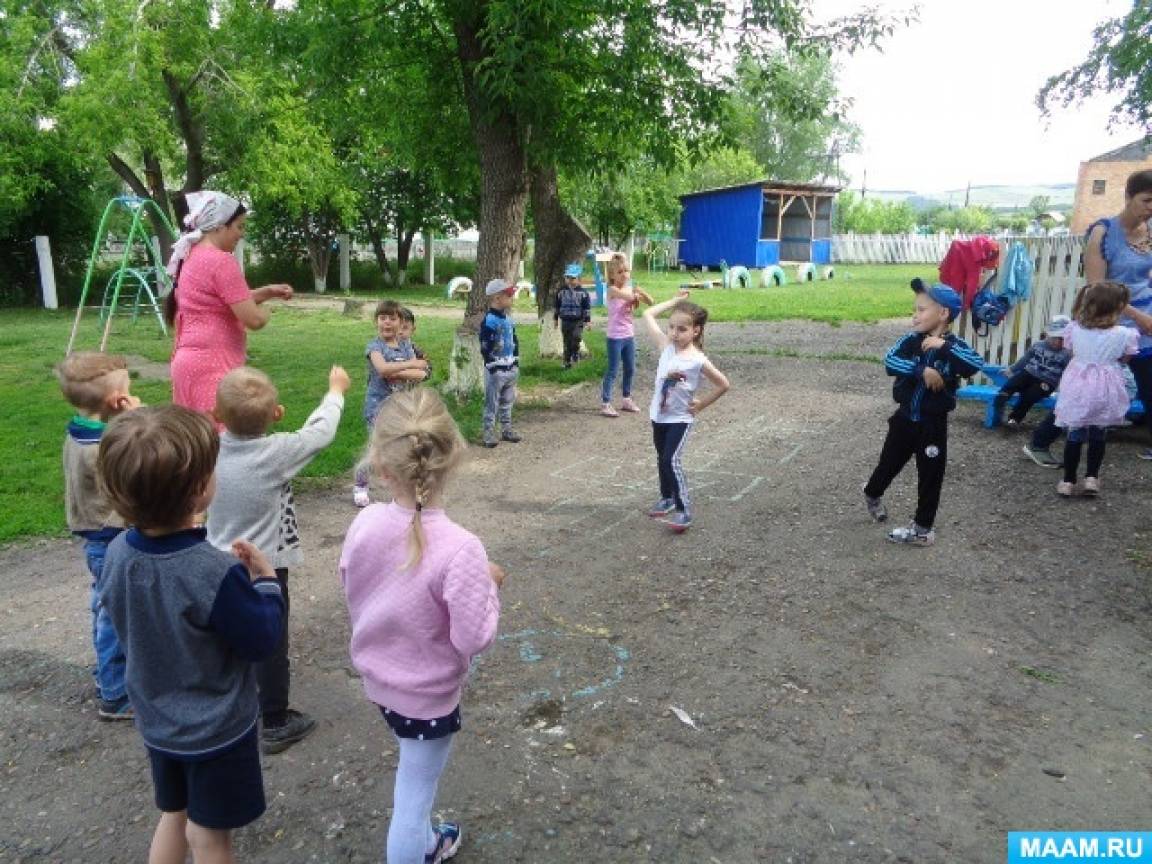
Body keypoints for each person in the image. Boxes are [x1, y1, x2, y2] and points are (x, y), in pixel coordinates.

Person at [97, 405, 285, 864]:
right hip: (215, 729)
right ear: (201, 489)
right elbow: (260, 640)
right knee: (210, 836)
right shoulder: (214, 572)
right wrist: (265, 583)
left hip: (158, 722)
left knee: (174, 813)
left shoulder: (118, 553)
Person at [339, 388, 503, 864]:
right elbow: (474, 637)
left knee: (411, 772)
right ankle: (415, 848)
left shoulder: (365, 523)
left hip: (380, 682)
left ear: (381, 465)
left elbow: (353, 582)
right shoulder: (461, 548)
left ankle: (428, 842)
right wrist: (488, 587)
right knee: (412, 798)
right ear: (452, 458)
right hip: (427, 696)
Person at [206, 364, 350, 754]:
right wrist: (335, 390)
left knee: (224, 636)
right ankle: (274, 720)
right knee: (270, 641)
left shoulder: (206, 449)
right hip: (263, 569)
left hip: (215, 565)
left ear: (216, 416)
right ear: (277, 414)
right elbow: (320, 433)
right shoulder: (276, 453)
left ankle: (222, 703)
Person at [863, 279, 983, 546]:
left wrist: (944, 348)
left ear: (943, 314)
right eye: (914, 310)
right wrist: (921, 370)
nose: (914, 316)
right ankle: (872, 493)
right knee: (888, 465)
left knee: (931, 475)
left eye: (921, 309)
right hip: (904, 420)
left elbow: (976, 363)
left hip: (933, 425)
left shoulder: (955, 347)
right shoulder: (910, 341)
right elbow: (890, 360)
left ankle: (922, 529)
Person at [55, 352, 141, 720]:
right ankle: (116, 694)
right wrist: (135, 419)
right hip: (110, 535)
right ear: (114, 400)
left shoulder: (78, 431)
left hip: (92, 533)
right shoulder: (102, 448)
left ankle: (107, 675)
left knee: (102, 605)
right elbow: (138, 456)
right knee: (114, 613)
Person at [165, 191, 293, 416]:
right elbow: (253, 320)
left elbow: (221, 300)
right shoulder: (221, 261)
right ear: (219, 226)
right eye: (239, 227)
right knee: (222, 443)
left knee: (194, 442)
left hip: (187, 365)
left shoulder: (191, 255)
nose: (241, 234)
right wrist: (265, 311)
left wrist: (267, 292)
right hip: (213, 366)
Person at [639, 290, 730, 533]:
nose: (674, 334)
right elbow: (647, 313)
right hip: (658, 416)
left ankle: (684, 510)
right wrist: (675, 301)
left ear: (696, 331)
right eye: (671, 327)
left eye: (682, 329)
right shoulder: (665, 346)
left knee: (672, 460)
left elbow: (723, 384)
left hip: (680, 419)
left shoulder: (698, 360)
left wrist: (701, 404)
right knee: (662, 459)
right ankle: (667, 497)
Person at [1084, 169, 1152, 459]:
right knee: (1097, 381)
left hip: (1147, 314)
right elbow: (1098, 289)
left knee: (1149, 376)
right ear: (1127, 196)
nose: (1151, 209)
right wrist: (1139, 318)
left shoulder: (1150, 231)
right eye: (1147, 201)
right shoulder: (1103, 232)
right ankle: (1049, 437)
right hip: (1112, 318)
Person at [1053, 281, 1138, 497]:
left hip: (1079, 387)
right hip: (1106, 387)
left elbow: (1070, 351)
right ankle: (1091, 477)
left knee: (1075, 433)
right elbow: (1125, 358)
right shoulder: (1125, 334)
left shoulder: (1074, 329)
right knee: (1099, 434)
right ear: (1117, 307)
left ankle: (1068, 480)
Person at [354, 299, 430, 506]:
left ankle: (405, 489)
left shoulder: (405, 345)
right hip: (377, 407)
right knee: (375, 448)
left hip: (400, 408)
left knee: (406, 449)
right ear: (376, 322)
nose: (387, 323)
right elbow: (382, 370)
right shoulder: (374, 347)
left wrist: (400, 369)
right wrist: (410, 365)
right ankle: (360, 485)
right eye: (382, 318)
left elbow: (420, 374)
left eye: (392, 318)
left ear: (400, 322)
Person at [991, 315, 1071, 427]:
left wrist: (1067, 389)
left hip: (1047, 381)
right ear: (1047, 334)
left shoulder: (1066, 353)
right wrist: (1011, 369)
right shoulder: (1038, 345)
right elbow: (1025, 359)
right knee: (1015, 381)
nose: (1057, 342)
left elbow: (1068, 372)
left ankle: (1014, 418)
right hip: (1029, 373)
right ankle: (1002, 396)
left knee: (1030, 395)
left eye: (1062, 339)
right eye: (1054, 337)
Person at [600, 253, 653, 417]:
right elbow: (628, 297)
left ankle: (626, 398)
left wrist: (640, 291)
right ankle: (605, 403)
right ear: (612, 275)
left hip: (628, 335)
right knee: (613, 370)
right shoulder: (612, 290)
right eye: (620, 272)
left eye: (626, 271)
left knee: (630, 368)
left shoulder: (630, 288)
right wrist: (634, 295)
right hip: (615, 337)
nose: (624, 275)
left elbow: (651, 302)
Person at [480, 278, 522, 448]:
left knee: (508, 400)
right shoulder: (490, 321)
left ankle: (506, 429)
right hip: (496, 370)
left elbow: (515, 340)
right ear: (497, 298)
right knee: (492, 402)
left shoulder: (508, 319)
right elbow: (485, 345)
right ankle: (488, 431)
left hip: (510, 367)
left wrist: (516, 361)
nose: (512, 298)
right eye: (509, 295)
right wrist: (492, 365)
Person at [554, 263, 591, 368]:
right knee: (566, 341)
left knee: (576, 337)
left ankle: (575, 352)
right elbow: (557, 305)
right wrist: (555, 319)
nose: (570, 280)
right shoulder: (561, 291)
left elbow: (586, 308)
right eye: (568, 277)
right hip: (565, 320)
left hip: (578, 320)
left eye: (573, 278)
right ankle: (567, 362)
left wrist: (587, 321)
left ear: (579, 279)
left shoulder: (583, 293)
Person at [398, 306, 433, 387]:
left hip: (410, 392)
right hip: (386, 394)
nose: (400, 332)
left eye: (405, 328)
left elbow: (428, 369)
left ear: (413, 330)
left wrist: (422, 372)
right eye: (397, 327)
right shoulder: (383, 348)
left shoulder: (415, 349)